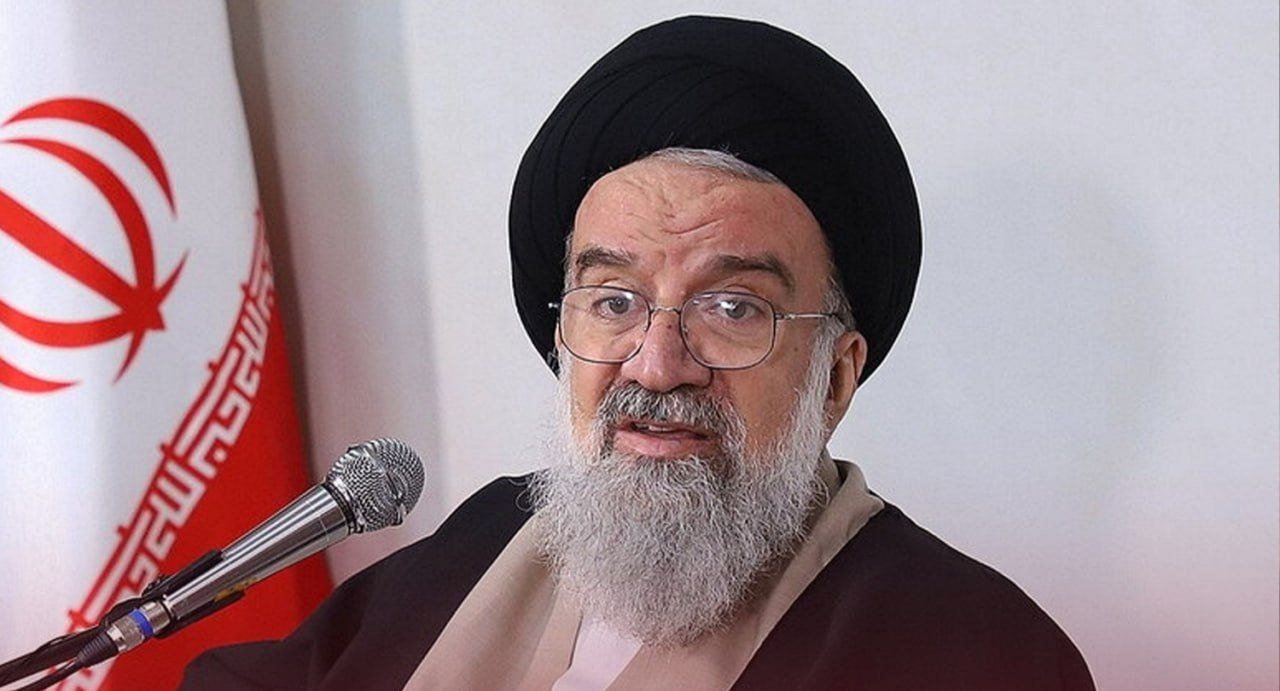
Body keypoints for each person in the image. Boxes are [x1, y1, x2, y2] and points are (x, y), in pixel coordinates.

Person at [182, 16, 1093, 690]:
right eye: (614, 301)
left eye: (733, 308)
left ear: (836, 376)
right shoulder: (494, 536)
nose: (657, 364)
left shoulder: (970, 647)